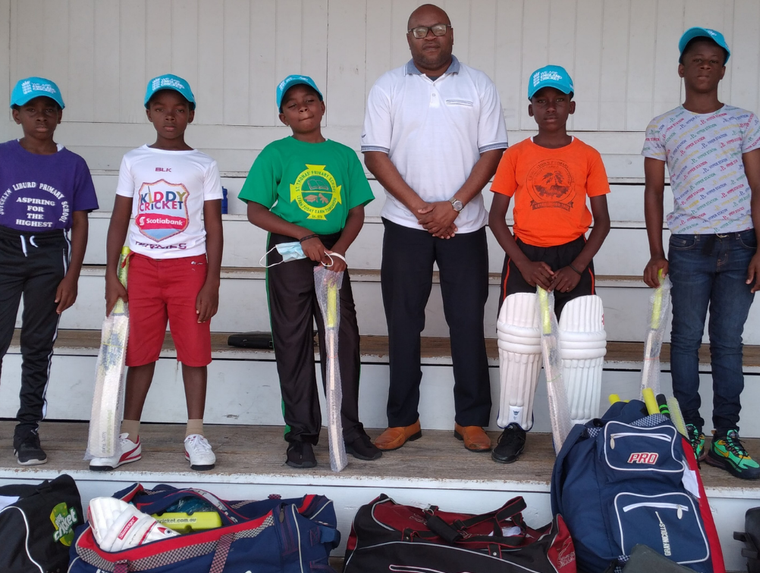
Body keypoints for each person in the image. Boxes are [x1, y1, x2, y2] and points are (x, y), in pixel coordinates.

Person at [362, 4, 508, 454]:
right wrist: (423, 208)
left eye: (438, 29)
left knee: (466, 320)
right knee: (403, 320)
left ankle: (472, 420)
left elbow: (492, 153)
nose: (429, 36)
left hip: (464, 224)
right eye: (420, 30)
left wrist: (455, 205)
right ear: (409, 38)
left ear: (451, 34)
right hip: (406, 222)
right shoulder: (388, 86)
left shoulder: (478, 83)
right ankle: (403, 420)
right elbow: (375, 154)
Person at [642, 26, 760, 480]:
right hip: (689, 245)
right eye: (695, 58)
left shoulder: (743, 121)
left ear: (722, 70)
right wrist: (656, 251)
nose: (703, 65)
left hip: (740, 245)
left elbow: (759, 188)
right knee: (685, 338)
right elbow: (655, 192)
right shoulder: (662, 125)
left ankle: (727, 435)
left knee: (728, 343)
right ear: (682, 68)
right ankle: (689, 430)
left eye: (713, 60)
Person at [240, 75, 379, 469]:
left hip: (332, 253)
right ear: (281, 115)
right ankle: (301, 434)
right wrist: (303, 235)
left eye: (310, 99)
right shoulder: (275, 153)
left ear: (322, 106)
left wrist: (339, 251)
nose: (302, 106)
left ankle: (348, 429)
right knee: (293, 341)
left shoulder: (343, 156)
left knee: (342, 341)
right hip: (289, 252)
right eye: (293, 103)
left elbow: (355, 211)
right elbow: (256, 210)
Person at [91, 75, 223, 471]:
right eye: (161, 108)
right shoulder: (134, 160)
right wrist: (112, 273)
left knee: (194, 352)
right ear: (148, 112)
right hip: (142, 266)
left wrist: (212, 281)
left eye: (179, 109)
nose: (170, 116)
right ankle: (129, 436)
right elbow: (119, 219)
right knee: (139, 351)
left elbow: (214, 227)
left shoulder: (204, 164)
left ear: (191, 115)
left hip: (189, 266)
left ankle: (195, 433)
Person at [487, 65, 611, 464]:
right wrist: (522, 263)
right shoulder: (516, 155)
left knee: (579, 343)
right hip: (527, 256)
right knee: (520, 341)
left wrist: (577, 266)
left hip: (574, 256)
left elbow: (603, 221)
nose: (551, 107)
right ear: (531, 109)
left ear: (571, 105)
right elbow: (495, 217)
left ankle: (578, 430)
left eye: (559, 100)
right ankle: (514, 425)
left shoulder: (588, 155)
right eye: (542, 101)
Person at [0, 77, 97, 466]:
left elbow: (81, 222)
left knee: (38, 345)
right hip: (4, 248)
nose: (41, 116)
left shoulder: (72, 164)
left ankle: (27, 430)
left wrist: (72, 276)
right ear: (16, 115)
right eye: (31, 109)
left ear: (59, 116)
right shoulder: (4, 155)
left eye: (49, 109)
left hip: (49, 254)